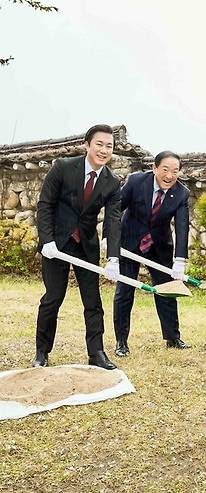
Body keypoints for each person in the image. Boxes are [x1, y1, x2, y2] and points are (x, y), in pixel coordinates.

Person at [33, 124, 122, 370]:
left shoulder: (112, 182)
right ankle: (42, 351)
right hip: (57, 244)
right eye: (99, 144)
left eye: (109, 146)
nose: (104, 150)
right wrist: (47, 240)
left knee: (93, 302)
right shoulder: (62, 167)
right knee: (53, 298)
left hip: (86, 246)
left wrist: (113, 257)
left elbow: (113, 221)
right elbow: (45, 205)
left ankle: (97, 353)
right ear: (87, 145)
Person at [112, 150, 191, 357]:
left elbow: (182, 227)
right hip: (129, 242)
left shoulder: (182, 193)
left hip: (159, 246)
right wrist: (109, 239)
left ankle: (172, 337)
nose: (169, 175)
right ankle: (121, 341)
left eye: (175, 171)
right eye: (165, 169)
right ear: (155, 168)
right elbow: (115, 210)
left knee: (167, 290)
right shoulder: (136, 182)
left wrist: (180, 260)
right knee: (125, 291)